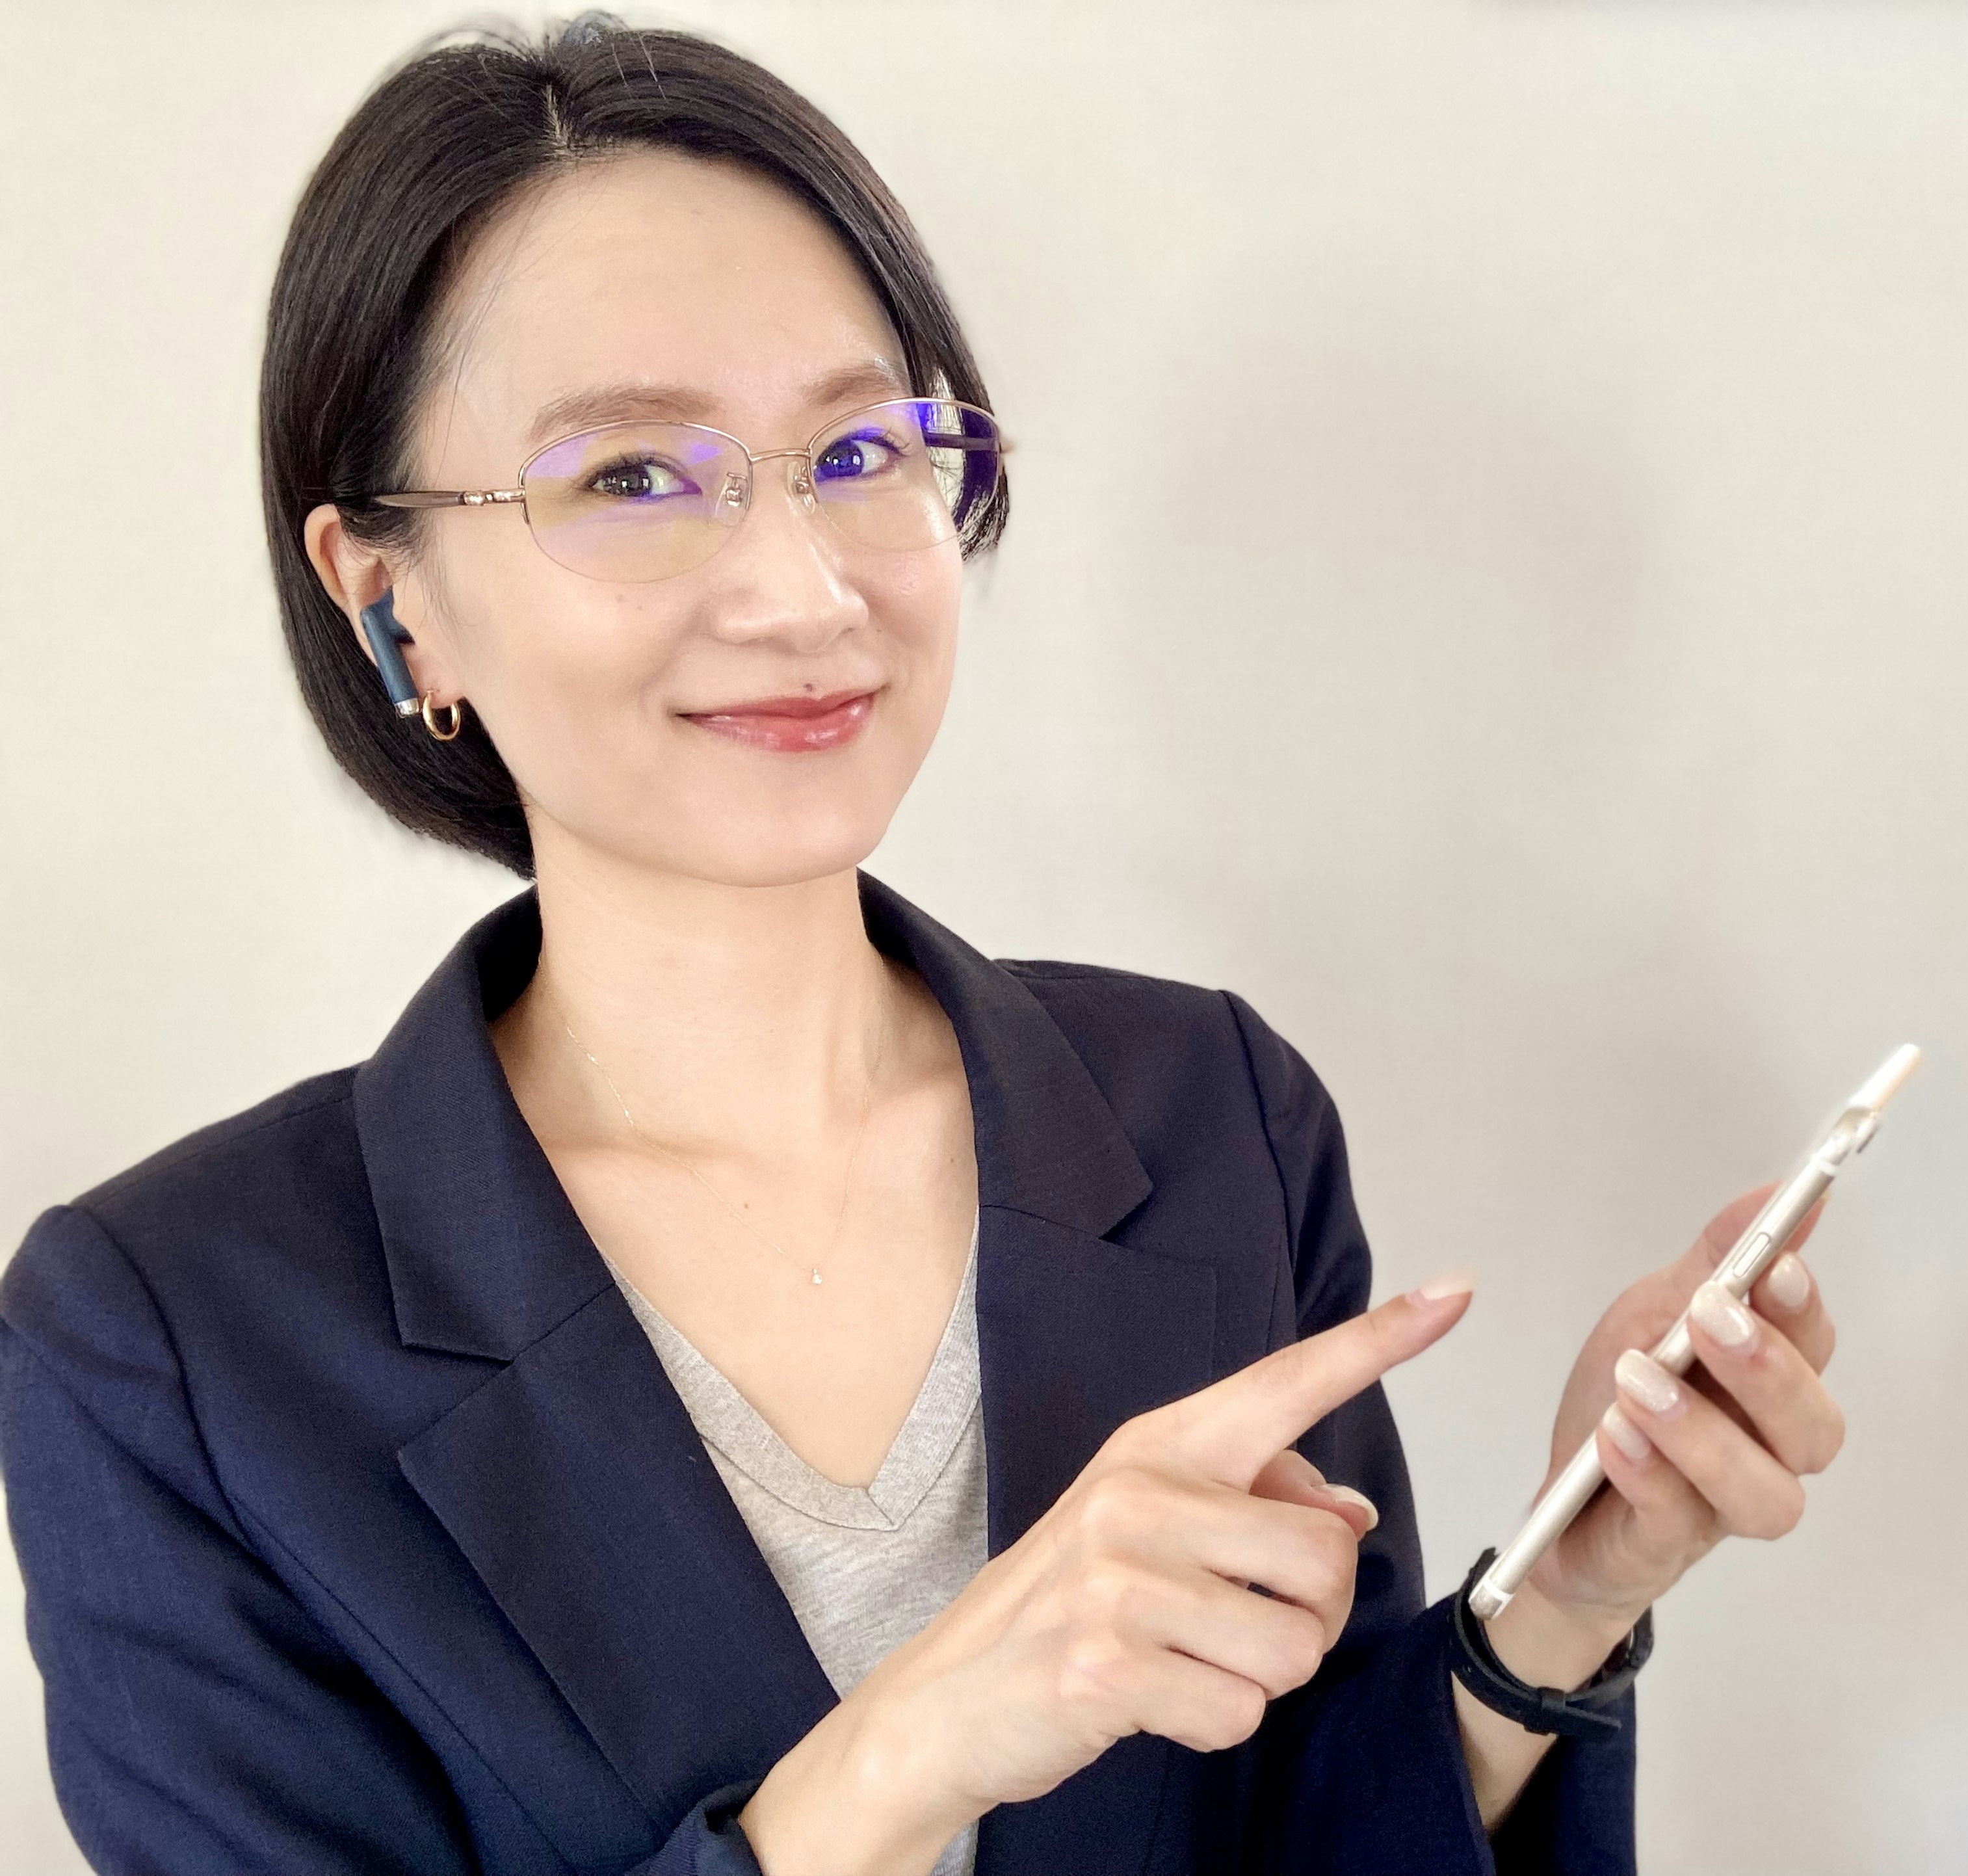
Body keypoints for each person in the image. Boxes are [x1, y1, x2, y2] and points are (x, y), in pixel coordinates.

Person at [0, 16, 1848, 1874]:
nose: (804, 590)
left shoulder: (1211, 1115)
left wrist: (1561, 1601)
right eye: (635, 477)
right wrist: (914, 1747)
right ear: (392, 601)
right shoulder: (171, 1348)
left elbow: (1311, 1841)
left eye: (863, 448)